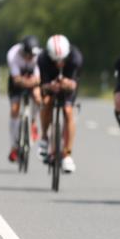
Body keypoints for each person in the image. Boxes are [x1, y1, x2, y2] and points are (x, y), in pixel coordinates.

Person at [37, 34, 83, 173]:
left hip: (69, 83)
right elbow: (43, 85)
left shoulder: (76, 57)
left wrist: (66, 84)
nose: (60, 63)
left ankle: (67, 154)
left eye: (62, 60)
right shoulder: (43, 58)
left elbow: (74, 84)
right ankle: (44, 137)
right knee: (46, 102)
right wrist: (50, 86)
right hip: (50, 82)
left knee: (68, 111)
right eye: (56, 60)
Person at [6, 36, 42, 162]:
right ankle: (14, 145)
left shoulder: (39, 56)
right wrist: (30, 82)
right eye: (28, 55)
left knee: (38, 97)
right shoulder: (12, 54)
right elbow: (16, 79)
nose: (30, 58)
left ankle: (32, 122)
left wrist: (35, 85)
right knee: (15, 109)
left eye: (33, 56)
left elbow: (38, 78)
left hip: (31, 79)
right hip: (16, 82)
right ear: (22, 52)